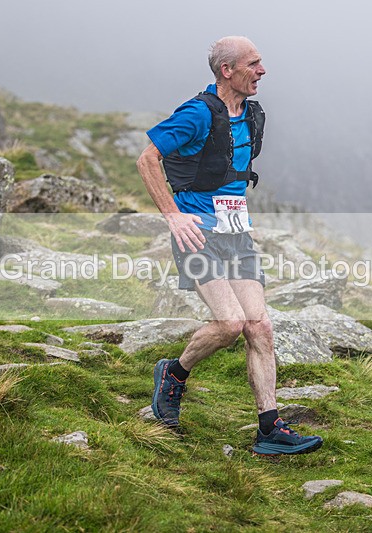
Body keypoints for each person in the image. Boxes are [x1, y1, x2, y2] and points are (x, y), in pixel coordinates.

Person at [136, 36, 322, 456]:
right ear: (227, 71)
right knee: (229, 324)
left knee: (260, 326)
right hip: (197, 236)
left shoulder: (252, 114)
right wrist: (173, 215)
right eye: (254, 63)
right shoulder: (196, 114)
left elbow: (231, 175)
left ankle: (270, 429)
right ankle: (174, 374)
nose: (262, 71)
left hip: (235, 235)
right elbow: (147, 159)